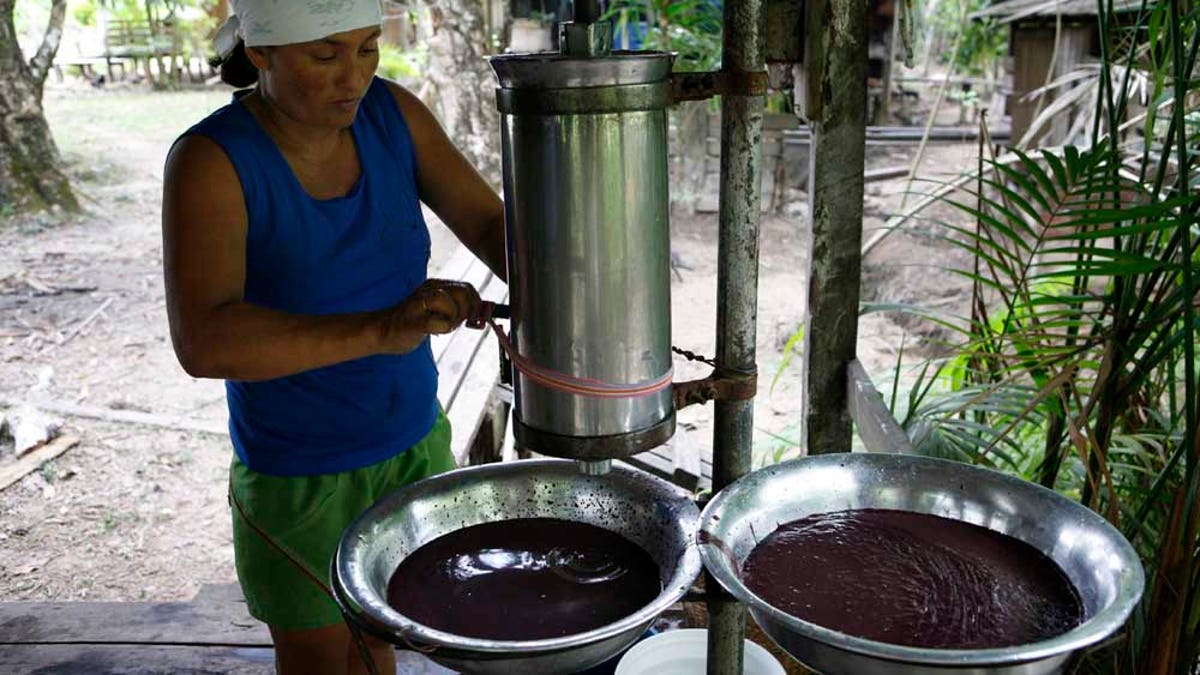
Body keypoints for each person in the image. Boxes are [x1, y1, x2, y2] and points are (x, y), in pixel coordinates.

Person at [160, 1, 506, 673]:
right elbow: (204, 339)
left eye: (368, 49)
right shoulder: (212, 161)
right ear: (261, 54)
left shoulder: (392, 117)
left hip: (411, 441)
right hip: (300, 471)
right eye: (325, 56)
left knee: (384, 637)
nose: (354, 76)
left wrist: (581, 301)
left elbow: (491, 226)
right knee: (322, 654)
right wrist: (382, 328)